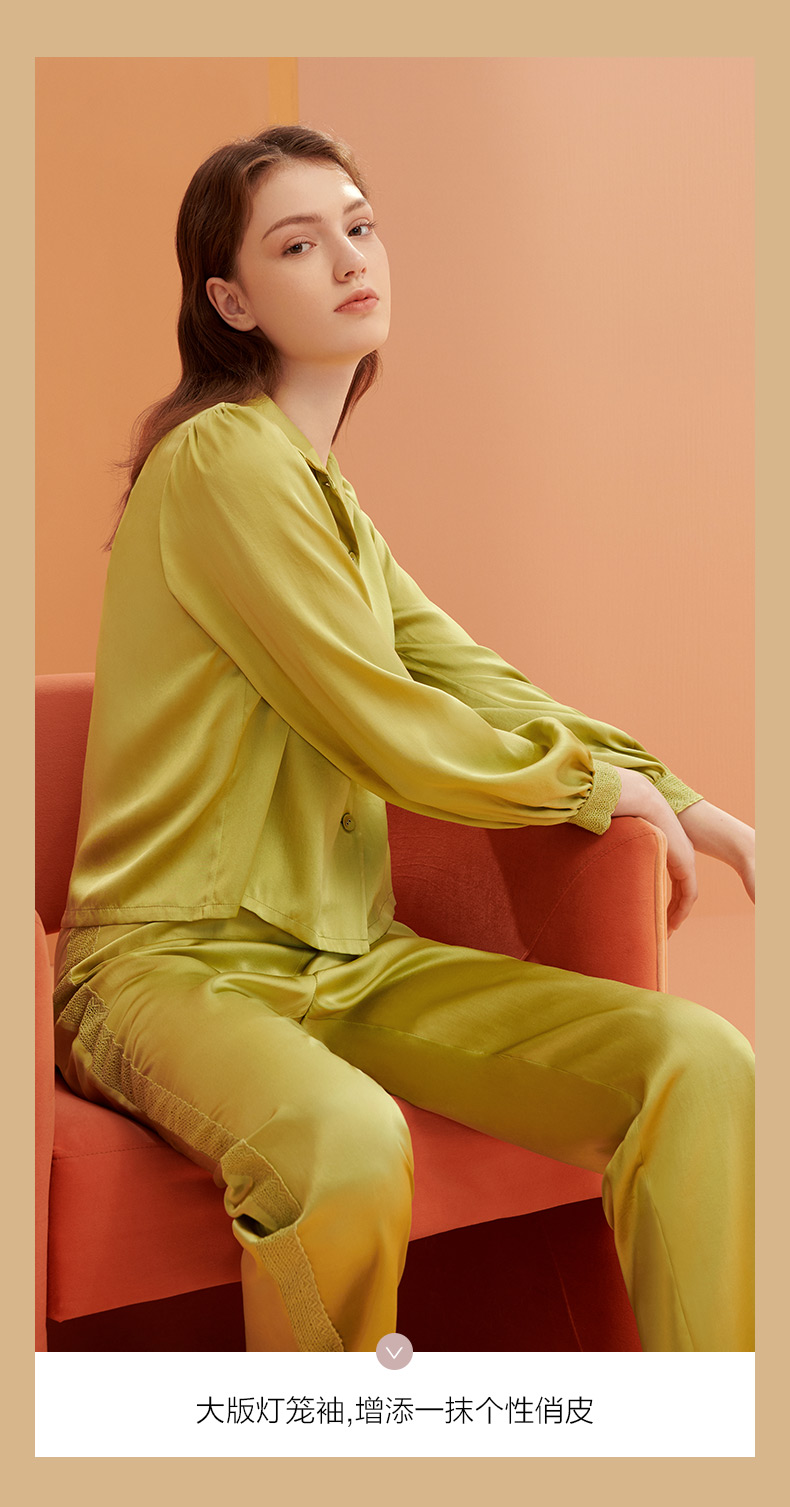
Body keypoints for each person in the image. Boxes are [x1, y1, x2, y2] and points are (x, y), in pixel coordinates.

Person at [53, 124, 755, 1353]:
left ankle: (708, 1437)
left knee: (699, 1062)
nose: (347, 259)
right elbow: (377, 715)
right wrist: (591, 791)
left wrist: (688, 805)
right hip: (168, 969)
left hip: (354, 961)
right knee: (344, 1139)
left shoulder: (327, 494)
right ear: (230, 300)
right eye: (297, 244)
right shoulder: (219, 461)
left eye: (360, 227)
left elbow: (462, 672)